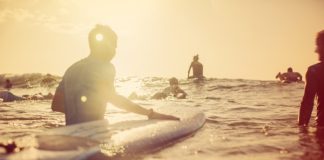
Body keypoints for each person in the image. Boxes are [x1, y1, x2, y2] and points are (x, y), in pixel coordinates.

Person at [51, 24, 179, 125]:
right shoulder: (105, 66)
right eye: (114, 46)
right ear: (105, 45)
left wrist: (78, 112)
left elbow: (55, 105)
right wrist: (150, 114)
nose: (115, 51)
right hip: (94, 132)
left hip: (70, 133)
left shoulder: (71, 69)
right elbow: (115, 99)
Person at [298, 30, 324, 126]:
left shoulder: (315, 71)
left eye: (318, 45)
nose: (315, 50)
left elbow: (308, 103)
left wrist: (302, 132)